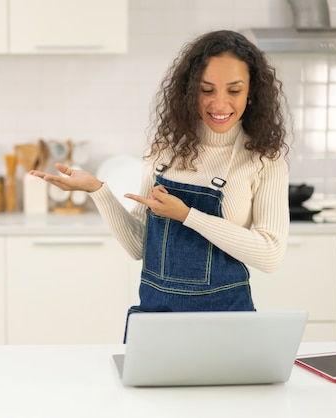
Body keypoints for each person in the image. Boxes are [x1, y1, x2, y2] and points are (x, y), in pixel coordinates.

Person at [30, 30, 290, 335]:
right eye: (207, 89)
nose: (220, 104)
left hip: (227, 323)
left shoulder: (263, 159)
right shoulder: (164, 150)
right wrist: (98, 191)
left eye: (234, 90)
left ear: (251, 93)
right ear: (190, 90)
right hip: (157, 320)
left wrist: (186, 215)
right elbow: (140, 246)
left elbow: (270, 255)